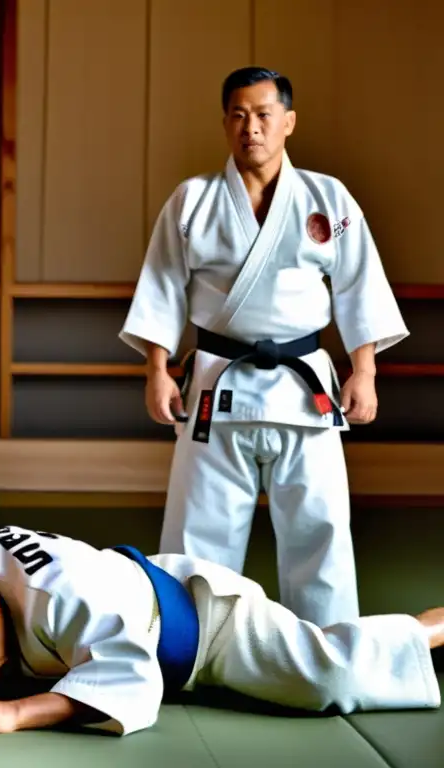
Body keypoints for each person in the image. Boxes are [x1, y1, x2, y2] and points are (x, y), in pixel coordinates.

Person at [119, 67, 409, 628]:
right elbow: (159, 287)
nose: (250, 127)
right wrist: (157, 369)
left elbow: (358, 285)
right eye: (238, 115)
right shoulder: (193, 200)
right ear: (225, 123)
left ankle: (327, 646)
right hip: (215, 384)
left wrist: (365, 370)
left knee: (320, 528)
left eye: (263, 115)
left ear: (288, 122)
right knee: (198, 533)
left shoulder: (329, 197)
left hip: (305, 387)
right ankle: (193, 645)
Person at [0, 525, 443, 736]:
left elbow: (134, 679)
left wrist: (14, 712)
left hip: (203, 626)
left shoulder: (65, 591)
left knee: (326, 673)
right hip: (131, 620)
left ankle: (434, 628)